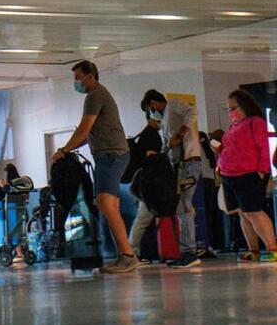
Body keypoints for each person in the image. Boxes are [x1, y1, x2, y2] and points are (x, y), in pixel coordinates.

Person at [52, 60, 137, 273]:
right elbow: (88, 136)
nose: (77, 83)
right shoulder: (99, 96)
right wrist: (68, 148)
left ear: (91, 76)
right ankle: (123, 254)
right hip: (109, 155)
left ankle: (128, 255)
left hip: (111, 155)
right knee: (110, 205)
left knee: (105, 202)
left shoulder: (95, 96)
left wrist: (63, 151)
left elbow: (83, 130)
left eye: (78, 78)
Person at [213, 89, 277, 262]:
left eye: (234, 107)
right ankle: (253, 250)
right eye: (228, 109)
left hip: (248, 175)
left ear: (244, 106)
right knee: (242, 213)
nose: (231, 112)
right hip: (229, 176)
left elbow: (264, 147)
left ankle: (273, 248)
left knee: (254, 211)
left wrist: (262, 171)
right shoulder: (233, 126)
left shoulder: (255, 122)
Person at [141, 89, 202, 268]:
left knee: (184, 206)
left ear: (153, 103)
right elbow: (168, 144)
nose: (152, 113)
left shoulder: (174, 104)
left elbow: (192, 112)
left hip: (188, 162)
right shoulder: (166, 120)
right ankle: (186, 250)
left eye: (149, 109)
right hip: (179, 165)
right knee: (181, 206)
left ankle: (189, 251)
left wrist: (180, 134)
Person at [127, 112, 163, 264]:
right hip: (149, 183)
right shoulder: (151, 136)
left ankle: (135, 252)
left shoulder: (143, 135)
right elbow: (151, 159)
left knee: (143, 218)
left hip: (141, 183)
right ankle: (131, 252)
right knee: (143, 218)